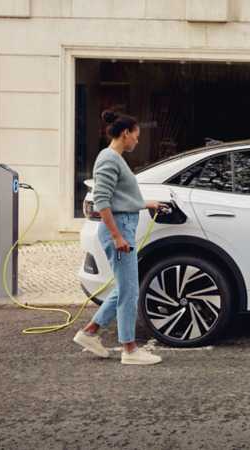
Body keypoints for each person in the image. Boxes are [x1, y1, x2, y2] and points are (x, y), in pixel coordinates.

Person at [73, 110, 168, 365]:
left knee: (125, 287)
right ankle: (129, 350)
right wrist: (117, 236)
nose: (137, 141)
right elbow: (101, 199)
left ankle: (90, 332)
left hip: (123, 224)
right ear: (126, 133)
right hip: (119, 229)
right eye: (136, 136)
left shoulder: (113, 158)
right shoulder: (109, 159)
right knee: (128, 291)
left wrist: (147, 204)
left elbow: (118, 197)